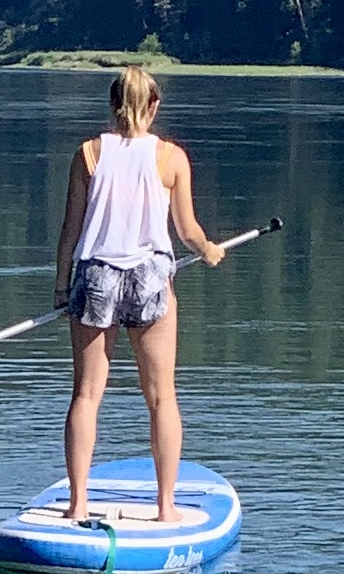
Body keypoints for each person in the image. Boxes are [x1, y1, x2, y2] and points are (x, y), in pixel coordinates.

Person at [53, 66, 225, 525]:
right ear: (154, 107)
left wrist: (59, 285)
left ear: (112, 105)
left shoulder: (87, 154)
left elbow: (71, 229)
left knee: (86, 396)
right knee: (161, 397)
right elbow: (187, 231)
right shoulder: (172, 158)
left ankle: (78, 504)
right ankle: (166, 508)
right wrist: (209, 250)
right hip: (150, 277)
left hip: (96, 276)